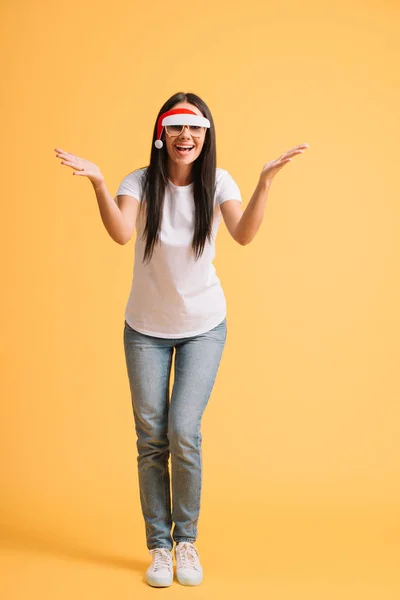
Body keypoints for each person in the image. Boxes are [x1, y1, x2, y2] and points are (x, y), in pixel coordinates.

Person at [54, 91, 308, 588]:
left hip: (203, 328)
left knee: (183, 431)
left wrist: (264, 183)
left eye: (194, 128)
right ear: (161, 134)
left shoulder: (219, 183)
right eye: (175, 128)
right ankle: (160, 548)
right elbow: (122, 232)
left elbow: (244, 234)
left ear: (206, 135)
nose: (184, 136)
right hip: (145, 331)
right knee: (151, 440)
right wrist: (100, 183)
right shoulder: (138, 181)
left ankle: (187, 541)